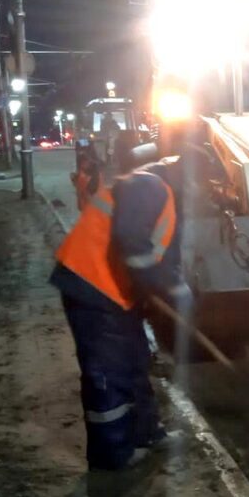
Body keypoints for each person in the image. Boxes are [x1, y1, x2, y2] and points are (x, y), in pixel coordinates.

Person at [49, 148, 206, 471]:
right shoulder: (148, 185)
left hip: (118, 293)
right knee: (108, 373)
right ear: (183, 172)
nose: (198, 190)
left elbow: (160, 255)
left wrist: (167, 290)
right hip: (92, 286)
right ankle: (113, 455)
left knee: (136, 362)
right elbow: (132, 242)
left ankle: (146, 433)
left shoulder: (165, 196)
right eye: (198, 182)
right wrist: (171, 289)